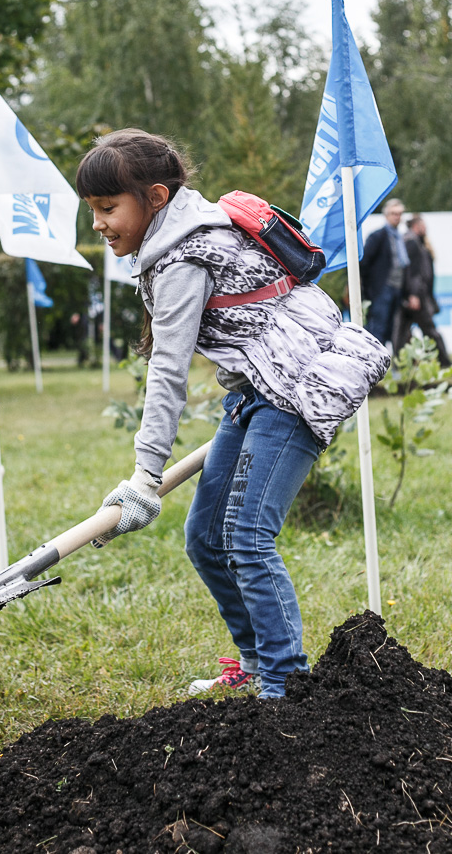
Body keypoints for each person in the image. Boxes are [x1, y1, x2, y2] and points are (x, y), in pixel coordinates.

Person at [76, 129, 390, 700]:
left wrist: (147, 474)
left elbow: (168, 372)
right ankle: (255, 661)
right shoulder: (183, 232)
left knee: (246, 536)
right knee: (204, 537)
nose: (97, 223)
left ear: (156, 198)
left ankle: (284, 683)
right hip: (253, 389)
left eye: (106, 208)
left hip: (295, 389)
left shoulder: (184, 257)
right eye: (93, 210)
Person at [393, 214, 450, 367]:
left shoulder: (413, 242)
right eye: (423, 225)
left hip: (412, 295)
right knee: (429, 331)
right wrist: (413, 294)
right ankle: (444, 363)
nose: (425, 229)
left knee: (401, 332)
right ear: (416, 226)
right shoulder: (411, 242)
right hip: (415, 297)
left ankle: (400, 365)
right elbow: (413, 272)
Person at [360, 198, 409, 346]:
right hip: (381, 289)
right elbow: (364, 262)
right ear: (386, 215)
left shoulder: (399, 237)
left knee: (390, 330)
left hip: (396, 289)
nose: (397, 216)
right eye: (393, 213)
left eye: (399, 213)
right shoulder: (378, 236)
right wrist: (370, 289)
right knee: (377, 330)